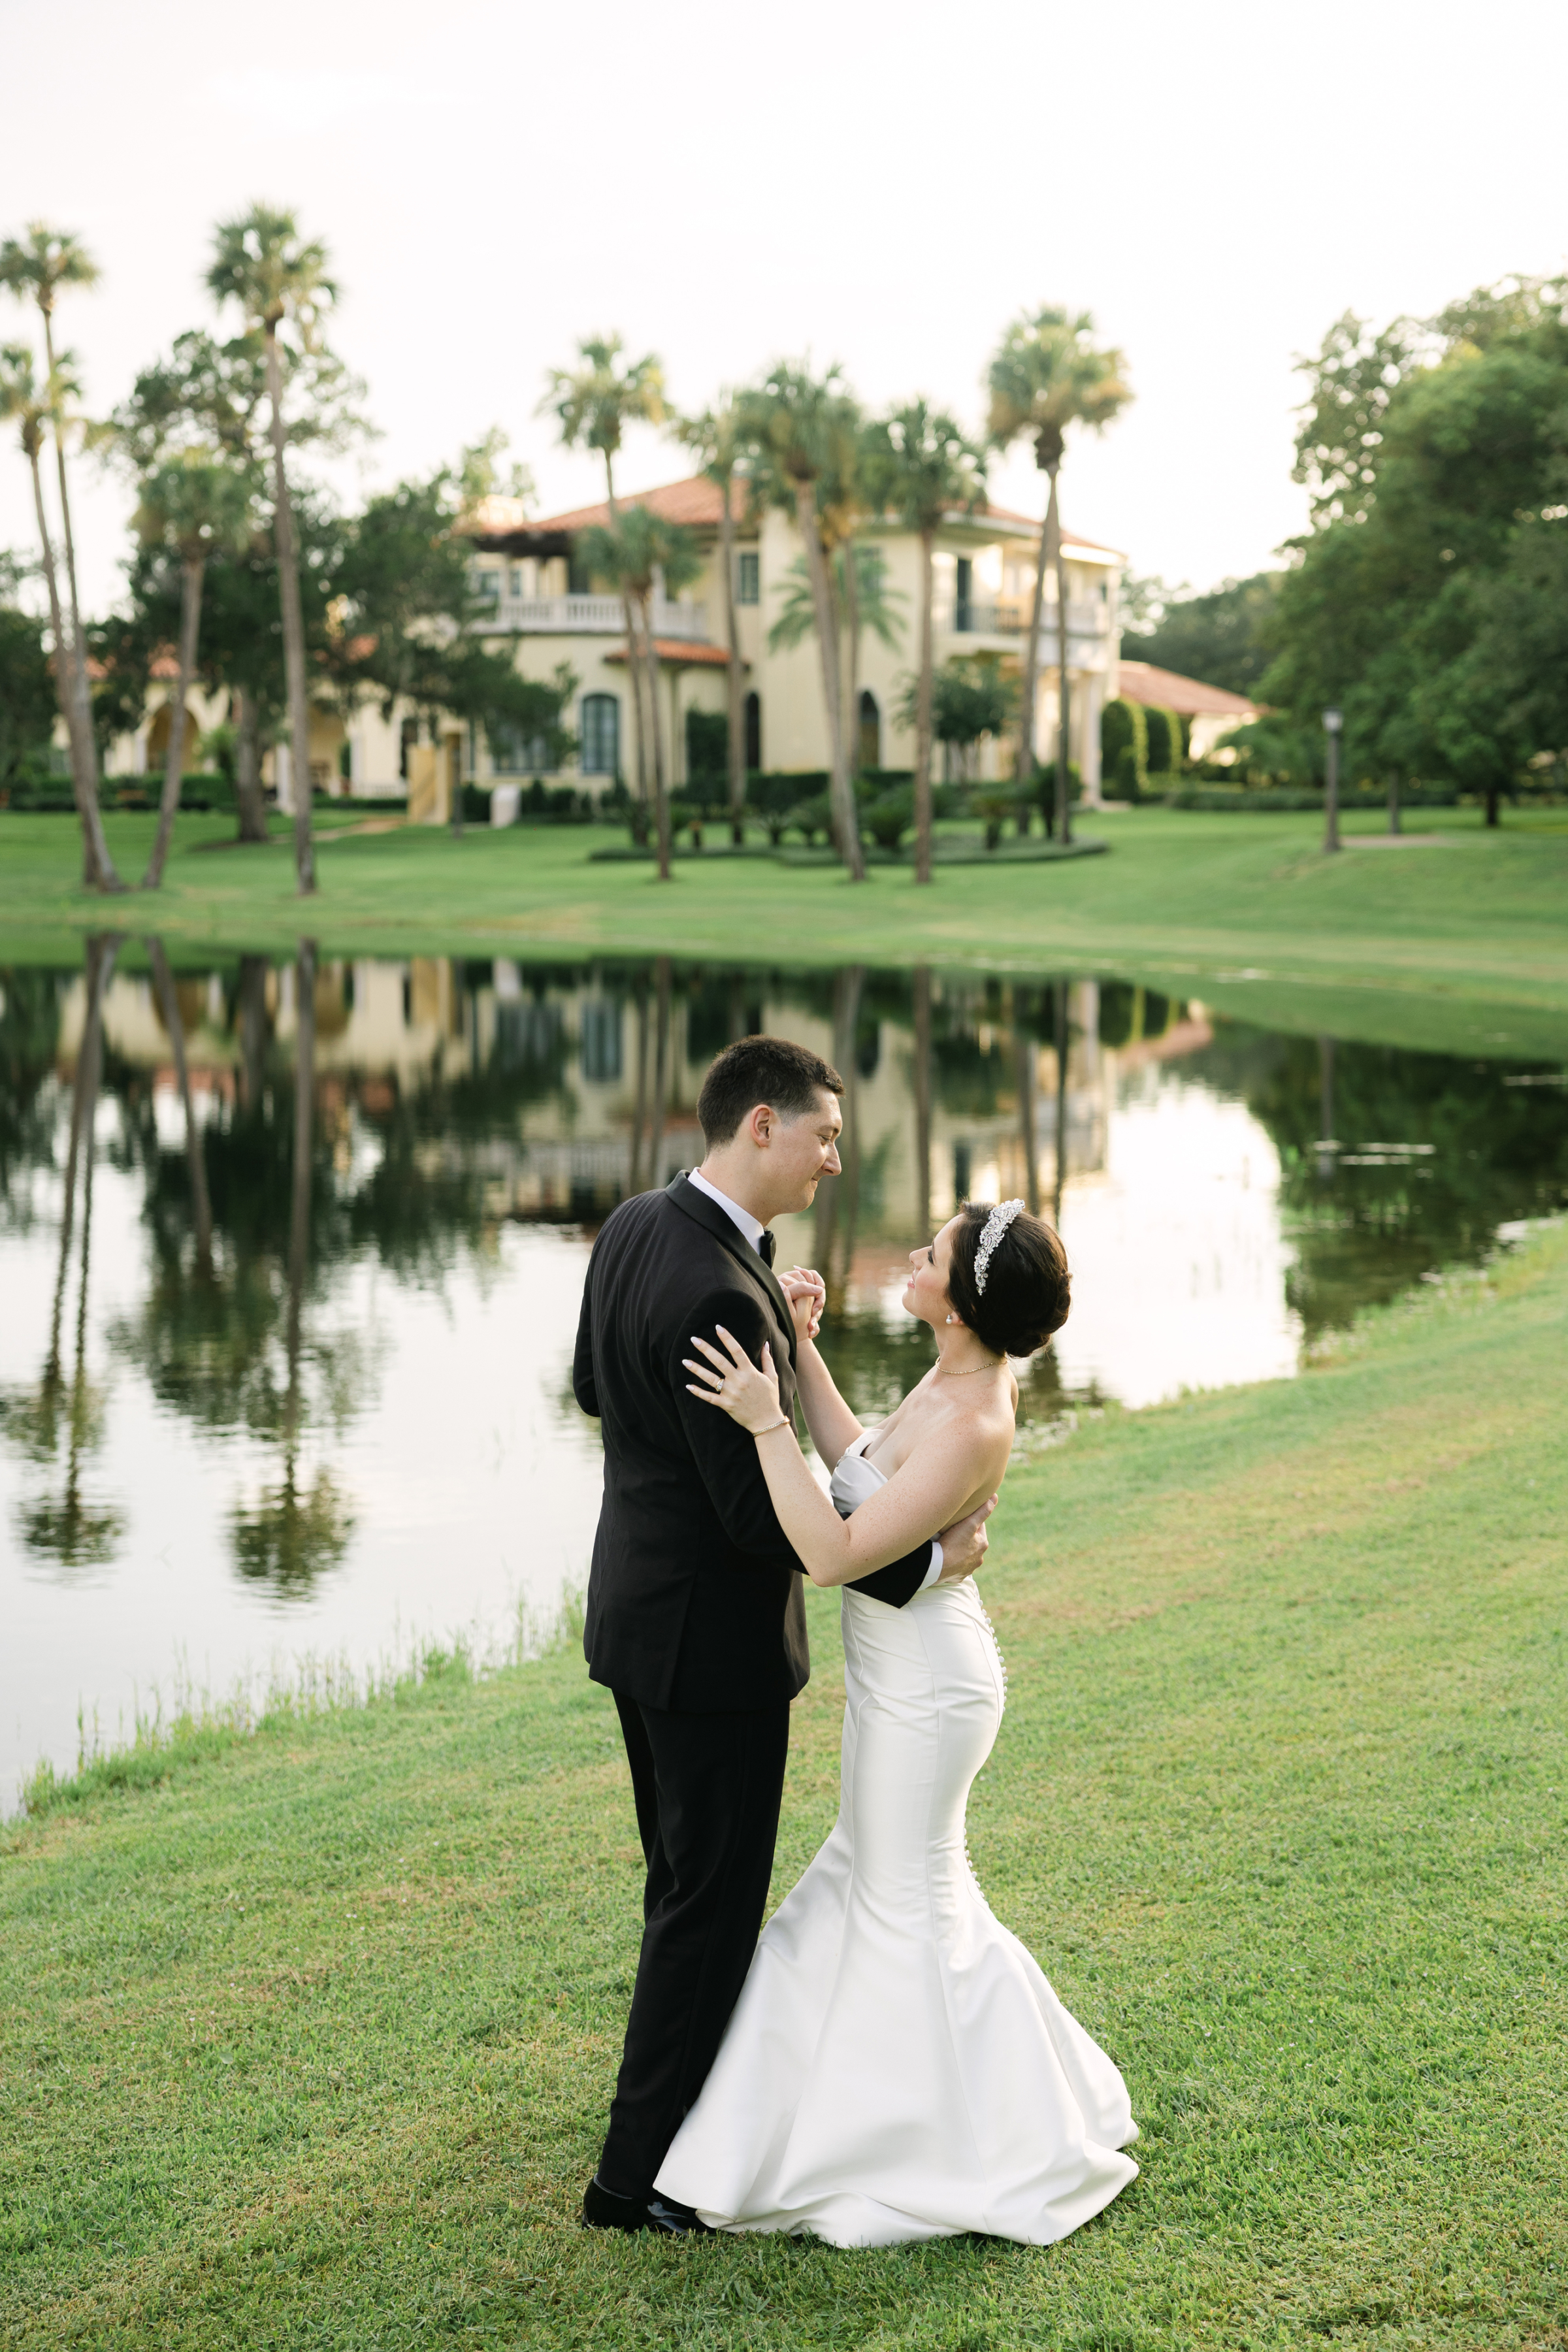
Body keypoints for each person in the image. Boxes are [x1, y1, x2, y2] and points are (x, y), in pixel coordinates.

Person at [654, 1195, 1139, 2247]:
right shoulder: (952, 1375)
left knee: (902, 1904)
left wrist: (762, 1416)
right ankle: (998, 2105)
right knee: (900, 1889)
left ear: (959, 1305)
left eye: (932, 1254)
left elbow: (833, 1553)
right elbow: (858, 1466)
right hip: (901, 1679)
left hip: (929, 1690)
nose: (913, 1257)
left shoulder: (976, 1418)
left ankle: (943, 2140)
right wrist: (796, 1352)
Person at [572, 1036, 997, 2236]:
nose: (834, 1159)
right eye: (821, 1135)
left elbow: (597, 1392)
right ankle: (633, 2179)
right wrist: (926, 1558)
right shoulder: (716, 1287)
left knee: (681, 1891)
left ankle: (691, 2119)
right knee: (705, 1909)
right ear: (761, 1127)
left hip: (637, 1616)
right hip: (712, 1653)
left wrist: (783, 1334)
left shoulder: (637, 1230)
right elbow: (771, 1526)